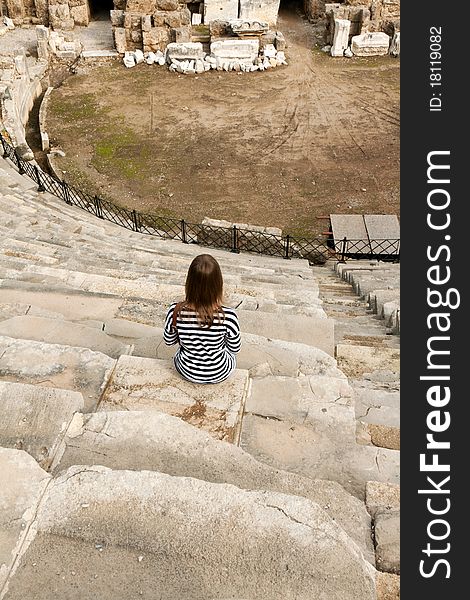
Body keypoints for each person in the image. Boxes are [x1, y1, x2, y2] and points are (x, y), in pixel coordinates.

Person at [163, 253, 241, 384]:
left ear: (189, 283)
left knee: (179, 353)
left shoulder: (175, 311)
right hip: (219, 371)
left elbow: (169, 341)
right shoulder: (228, 316)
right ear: (218, 284)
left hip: (187, 370)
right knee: (230, 355)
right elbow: (235, 348)